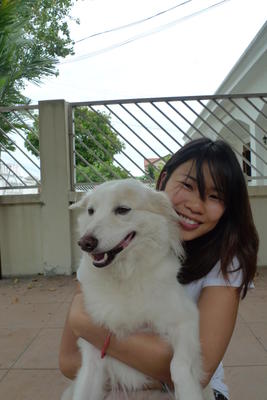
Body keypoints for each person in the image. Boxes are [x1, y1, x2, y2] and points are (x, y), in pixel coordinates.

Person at [59, 138, 259, 400]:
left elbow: (203, 369)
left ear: (227, 207)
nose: (195, 205)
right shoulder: (108, 254)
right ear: (164, 178)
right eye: (187, 185)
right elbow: (69, 361)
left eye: (214, 196)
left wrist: (94, 330)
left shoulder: (225, 263)